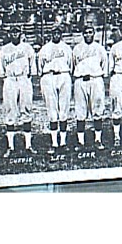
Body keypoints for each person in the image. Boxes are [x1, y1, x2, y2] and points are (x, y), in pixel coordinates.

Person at [0, 26, 38, 157]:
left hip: (23, 79)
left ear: (20, 33)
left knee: (26, 110)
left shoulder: (27, 48)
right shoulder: (4, 49)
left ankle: (28, 145)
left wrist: (27, 78)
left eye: (16, 32)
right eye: (12, 31)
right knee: (10, 111)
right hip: (10, 79)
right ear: (9, 33)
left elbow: (32, 67)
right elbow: (2, 70)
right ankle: (10, 146)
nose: (14, 34)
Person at [37, 24, 73, 153]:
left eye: (58, 33)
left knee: (63, 109)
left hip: (63, 75)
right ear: (51, 34)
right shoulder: (44, 49)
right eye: (54, 33)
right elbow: (40, 66)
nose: (56, 35)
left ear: (61, 34)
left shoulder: (67, 48)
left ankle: (63, 142)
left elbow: (70, 64)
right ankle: (54, 142)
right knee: (52, 110)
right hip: (49, 77)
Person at [72, 24, 107, 150]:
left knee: (97, 110)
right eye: (85, 32)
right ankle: (80, 142)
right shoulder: (77, 49)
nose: (88, 34)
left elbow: (104, 64)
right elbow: (74, 64)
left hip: (96, 79)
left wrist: (96, 75)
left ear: (94, 33)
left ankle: (98, 140)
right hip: (81, 80)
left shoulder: (100, 48)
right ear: (82, 34)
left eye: (90, 32)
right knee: (80, 111)